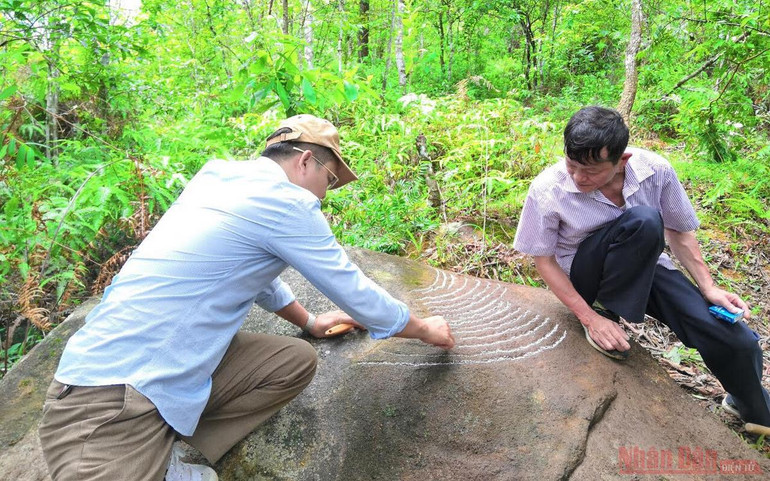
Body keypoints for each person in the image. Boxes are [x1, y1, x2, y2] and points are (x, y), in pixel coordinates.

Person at [38, 114, 455, 481]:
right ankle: (155, 460)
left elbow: (247, 272)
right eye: (328, 180)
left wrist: (308, 323)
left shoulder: (217, 181)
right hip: (107, 401)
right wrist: (422, 329)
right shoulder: (286, 201)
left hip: (151, 380)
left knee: (292, 362)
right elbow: (350, 286)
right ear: (306, 160)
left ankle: (170, 454)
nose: (324, 195)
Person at [513, 106, 770, 436]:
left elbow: (679, 232)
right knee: (644, 221)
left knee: (738, 341)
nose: (578, 178)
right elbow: (544, 261)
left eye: (590, 170)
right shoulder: (548, 188)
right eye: (571, 165)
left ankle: (753, 409)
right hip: (586, 275)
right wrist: (589, 317)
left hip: (646, 266)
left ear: (623, 160)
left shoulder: (656, 171)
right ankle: (605, 308)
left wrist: (708, 287)